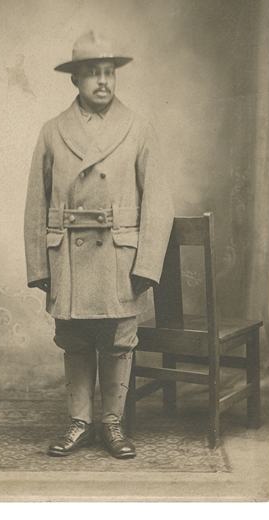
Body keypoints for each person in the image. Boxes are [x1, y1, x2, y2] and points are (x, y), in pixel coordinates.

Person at [24, 31, 174, 459]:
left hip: (119, 256)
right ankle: (79, 422)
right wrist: (39, 265)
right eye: (92, 73)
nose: (103, 81)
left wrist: (147, 264)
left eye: (109, 73)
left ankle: (111, 424)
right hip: (68, 257)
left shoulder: (139, 127)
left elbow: (159, 202)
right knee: (73, 339)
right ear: (75, 80)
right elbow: (36, 203)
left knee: (118, 340)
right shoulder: (52, 131)